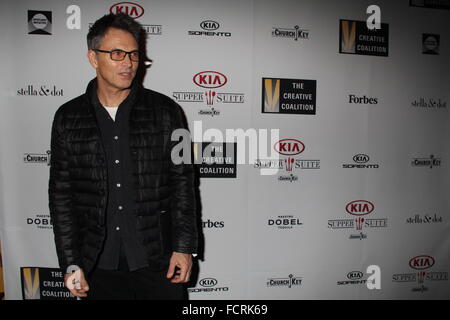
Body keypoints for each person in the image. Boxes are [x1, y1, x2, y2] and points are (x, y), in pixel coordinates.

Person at [48, 13, 198, 300]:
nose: (128, 63)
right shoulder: (68, 117)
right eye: (117, 53)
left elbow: (183, 183)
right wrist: (70, 260)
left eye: (133, 54)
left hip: (158, 260)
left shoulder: (168, 112)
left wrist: (183, 246)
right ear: (93, 57)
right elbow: (61, 196)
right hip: (97, 264)